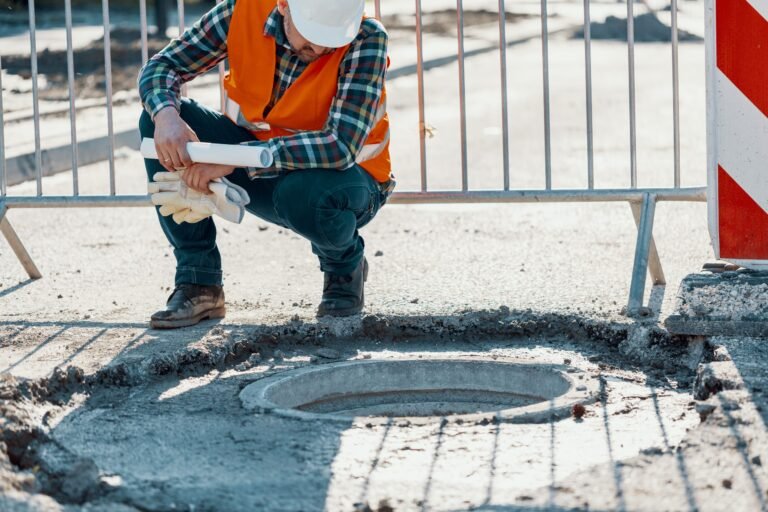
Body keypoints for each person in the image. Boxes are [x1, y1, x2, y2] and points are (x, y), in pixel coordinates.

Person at [138, 0, 393, 328]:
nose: (320, 48)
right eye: (312, 35)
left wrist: (236, 160)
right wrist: (166, 115)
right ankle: (199, 283)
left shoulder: (366, 37)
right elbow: (163, 66)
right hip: (258, 165)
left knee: (304, 195)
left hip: (343, 183)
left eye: (331, 39)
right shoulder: (242, 11)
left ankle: (343, 268)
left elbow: (340, 146)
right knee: (159, 126)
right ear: (284, 5)